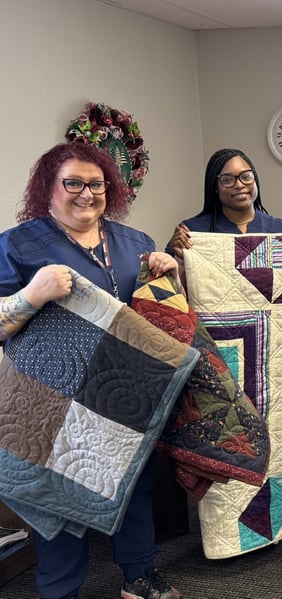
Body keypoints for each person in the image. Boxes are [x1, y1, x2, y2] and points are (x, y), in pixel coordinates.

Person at [0, 142, 184, 599]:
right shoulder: (17, 244)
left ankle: (139, 575)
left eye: (96, 184)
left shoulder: (136, 243)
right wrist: (33, 295)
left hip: (126, 388)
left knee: (133, 482)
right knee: (57, 492)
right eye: (74, 183)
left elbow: (160, 319)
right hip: (51, 393)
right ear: (49, 187)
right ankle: (60, 590)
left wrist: (169, 274)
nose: (86, 193)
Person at [167, 148, 282, 258]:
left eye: (246, 176)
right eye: (227, 180)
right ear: (215, 187)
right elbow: (167, 289)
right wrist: (177, 256)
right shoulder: (191, 231)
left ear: (255, 179)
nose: (239, 184)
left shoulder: (280, 229)